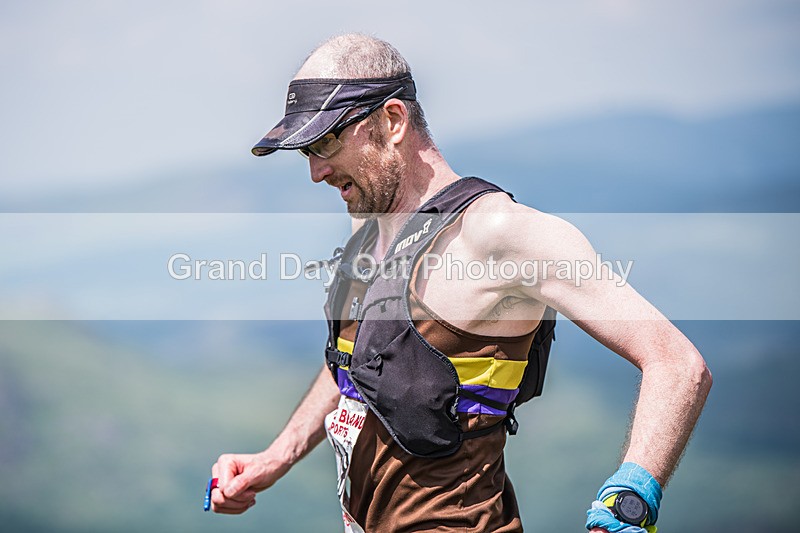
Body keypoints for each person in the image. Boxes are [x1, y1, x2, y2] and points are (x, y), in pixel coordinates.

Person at [209, 34, 712, 532]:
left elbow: (676, 363)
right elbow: (360, 356)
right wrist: (279, 455)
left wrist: (631, 498)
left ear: (392, 121)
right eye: (306, 152)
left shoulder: (499, 233)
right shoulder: (371, 223)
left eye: (326, 142)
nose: (316, 171)